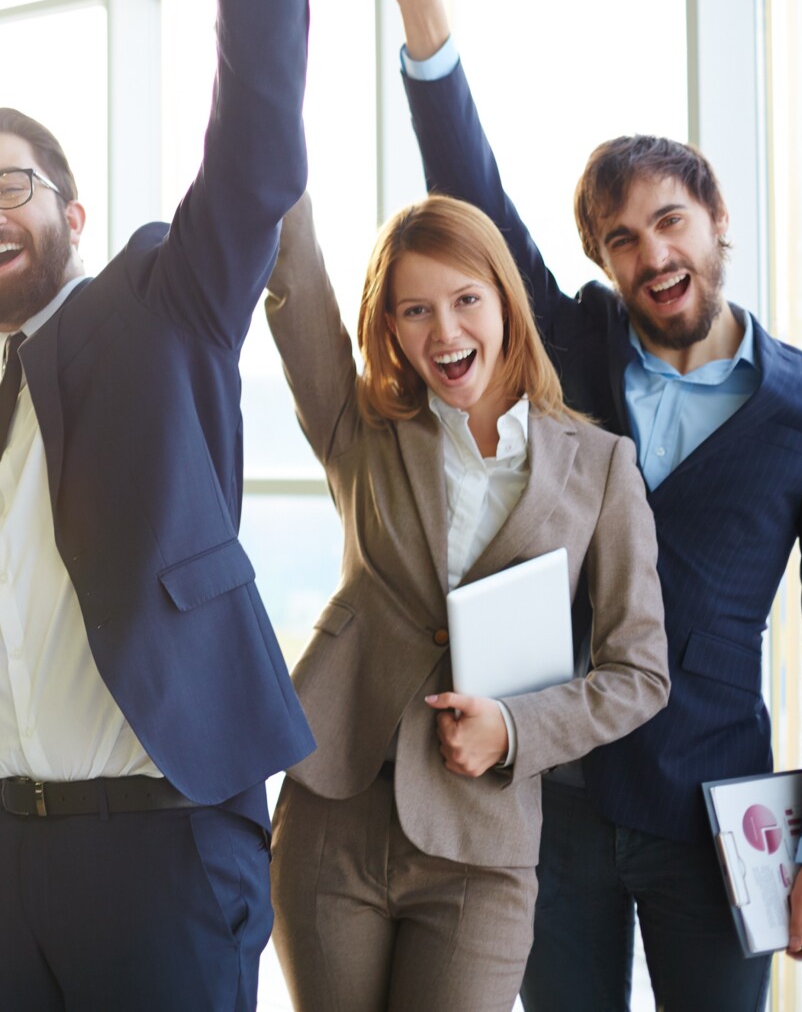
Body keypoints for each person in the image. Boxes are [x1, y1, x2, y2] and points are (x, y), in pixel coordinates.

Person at [374, 0, 802, 1010]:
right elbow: (472, 201)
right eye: (621, 240)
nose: (652, 254)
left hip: (714, 813)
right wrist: (424, 15)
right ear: (601, 262)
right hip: (555, 793)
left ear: (716, 221)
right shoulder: (573, 345)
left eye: (669, 223)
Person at [0, 0, 315, 1011]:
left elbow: (250, 173)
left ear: (72, 213)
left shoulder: (157, 304)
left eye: (9, 186)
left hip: (159, 849)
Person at [263, 190, 669, 1012]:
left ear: (505, 304)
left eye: (465, 300)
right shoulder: (363, 431)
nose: (444, 331)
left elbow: (640, 672)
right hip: (332, 813)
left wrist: (516, 729)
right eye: (415, 310)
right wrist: (264, 97)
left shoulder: (599, 466)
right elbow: (294, 283)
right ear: (391, 328)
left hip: (480, 844)